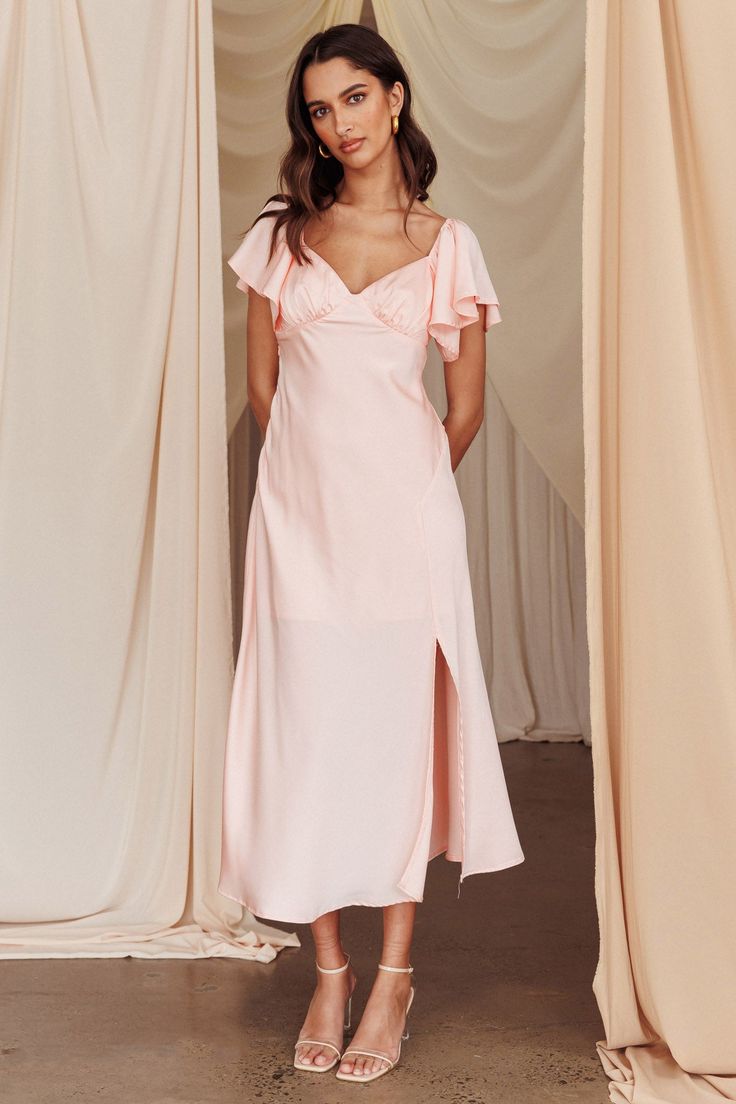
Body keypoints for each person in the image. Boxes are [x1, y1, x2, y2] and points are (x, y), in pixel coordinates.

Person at [218, 22, 524, 1085]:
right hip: (299, 532)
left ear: (393, 100)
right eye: (317, 108)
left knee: (394, 742)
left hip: (404, 534)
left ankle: (393, 974)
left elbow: (465, 406)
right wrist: (307, 493)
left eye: (353, 98)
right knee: (312, 736)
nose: (336, 123)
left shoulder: (449, 245)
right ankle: (330, 968)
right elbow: (265, 394)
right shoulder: (280, 239)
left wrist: (400, 496)